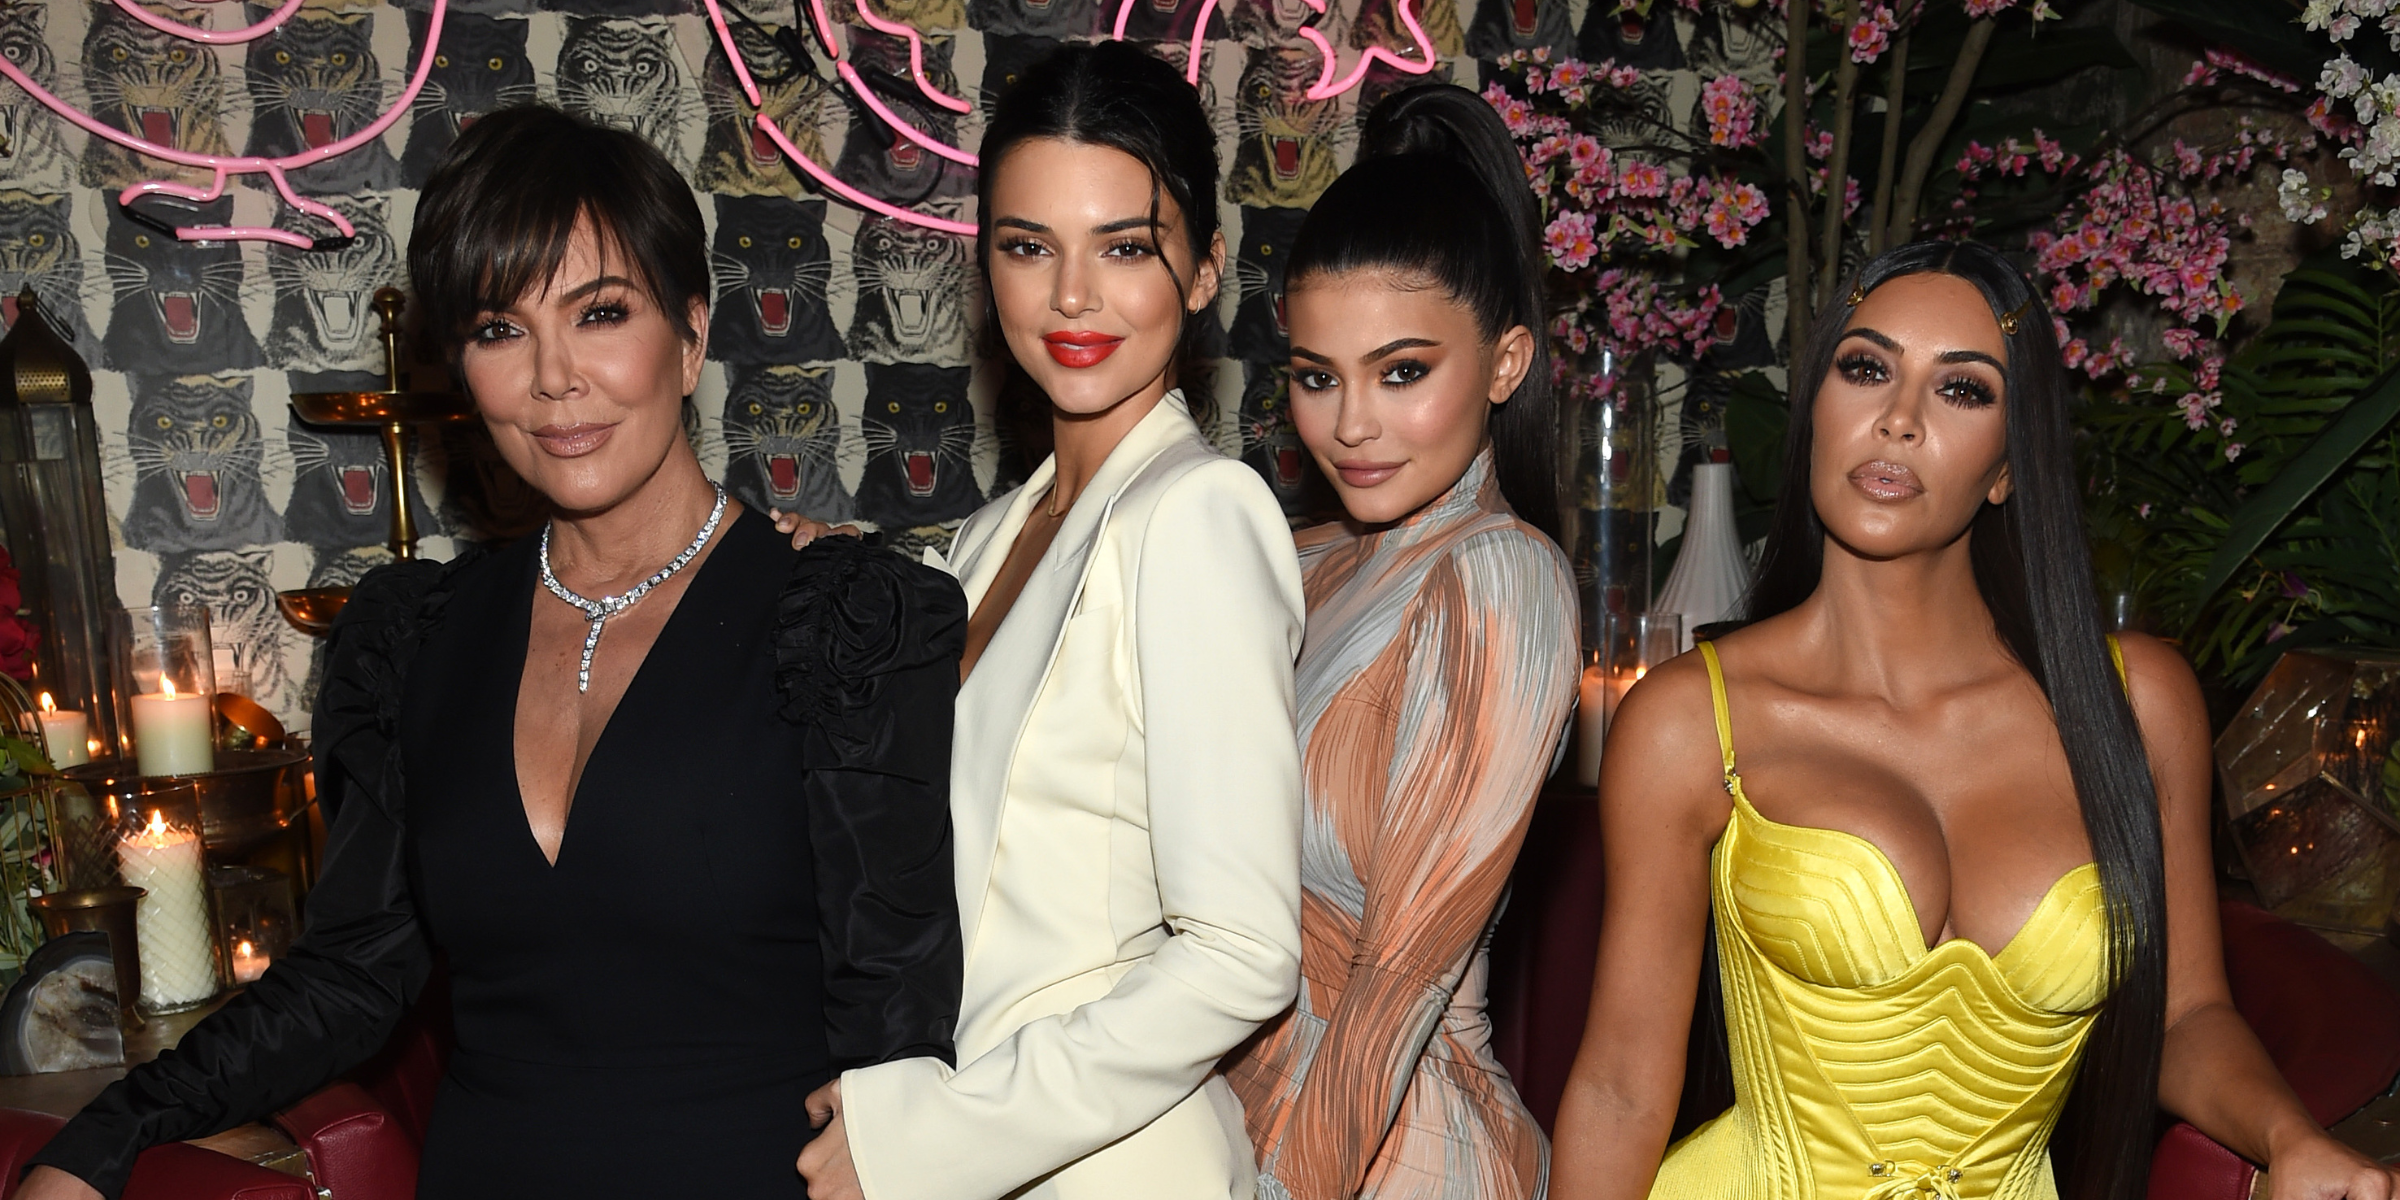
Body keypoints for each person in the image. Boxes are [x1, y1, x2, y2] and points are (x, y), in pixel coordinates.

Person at [21, 106, 965, 1200]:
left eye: (601, 313)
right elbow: (351, 981)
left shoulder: (841, 621)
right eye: (499, 330)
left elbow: (899, 1018)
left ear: (692, 334)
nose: (554, 378)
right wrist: (101, 1141)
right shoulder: (413, 637)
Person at [1548, 240, 2400, 1200]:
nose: (1898, 420)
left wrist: (2291, 1140)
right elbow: (1621, 1087)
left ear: (2007, 468)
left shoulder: (2136, 707)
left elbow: (2186, 1016)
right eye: (1866, 369)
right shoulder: (1690, 721)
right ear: (1815, 414)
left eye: (1962, 392)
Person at [788, 41, 1307, 1200]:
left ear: (1208, 269)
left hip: (1116, 1169)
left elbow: (1241, 955)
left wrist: (930, 1137)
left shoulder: (1201, 515)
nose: (1073, 297)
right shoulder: (981, 545)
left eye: (1125, 248)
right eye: (1029, 248)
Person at [1217, 83, 1576, 1200]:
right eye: (1318, 377)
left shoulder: (1499, 580)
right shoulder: (1305, 561)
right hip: (1239, 1128)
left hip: (1395, 1159)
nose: (1352, 425)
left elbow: (1395, 986)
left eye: (1402, 372)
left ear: (1506, 364)